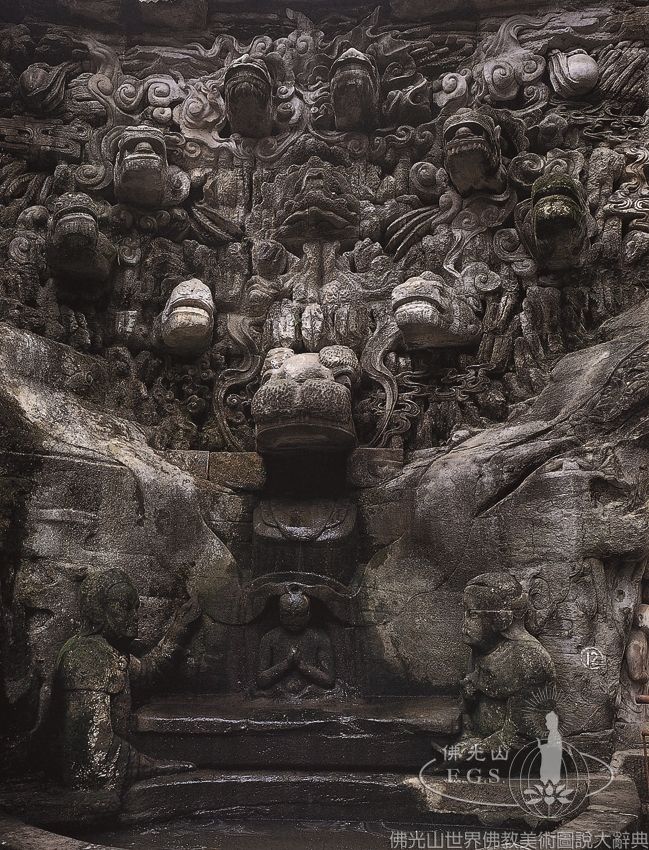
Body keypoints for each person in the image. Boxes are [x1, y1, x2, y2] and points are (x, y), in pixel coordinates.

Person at [53, 568, 201, 791]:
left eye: (136, 608)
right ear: (97, 611)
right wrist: (149, 765)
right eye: (124, 607)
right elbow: (91, 757)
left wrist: (180, 627)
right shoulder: (87, 657)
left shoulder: (105, 652)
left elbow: (150, 672)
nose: (134, 616)